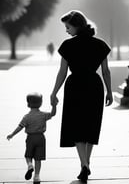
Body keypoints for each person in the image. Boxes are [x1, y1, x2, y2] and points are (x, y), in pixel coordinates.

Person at [50, 10, 113, 183]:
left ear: (77, 25)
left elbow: (62, 72)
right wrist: (109, 91)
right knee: (91, 125)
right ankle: (86, 164)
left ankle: (84, 164)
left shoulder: (67, 46)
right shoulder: (100, 45)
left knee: (76, 125)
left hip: (75, 86)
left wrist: (54, 92)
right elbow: (106, 71)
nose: (66, 30)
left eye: (67, 27)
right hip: (94, 86)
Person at [6, 92, 57, 184]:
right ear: (40, 103)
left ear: (28, 104)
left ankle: (29, 165)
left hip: (30, 138)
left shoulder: (27, 117)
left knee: (28, 155)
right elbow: (53, 114)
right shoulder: (43, 115)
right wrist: (54, 106)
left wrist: (12, 134)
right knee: (38, 158)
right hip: (41, 138)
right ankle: (37, 176)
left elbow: (20, 127)